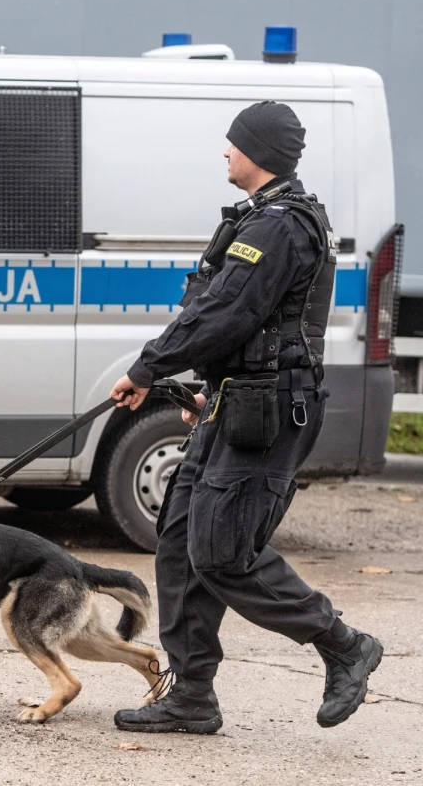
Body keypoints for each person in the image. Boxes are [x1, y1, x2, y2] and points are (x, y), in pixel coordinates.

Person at [108, 101, 382, 734]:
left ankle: (344, 645)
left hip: (269, 411)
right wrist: (203, 387)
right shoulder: (259, 219)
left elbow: (228, 311)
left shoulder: (280, 225)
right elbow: (234, 317)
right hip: (235, 401)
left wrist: (149, 368)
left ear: (259, 152)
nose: (225, 153)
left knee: (224, 554)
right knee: (178, 543)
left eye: (233, 144)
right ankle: (192, 695)